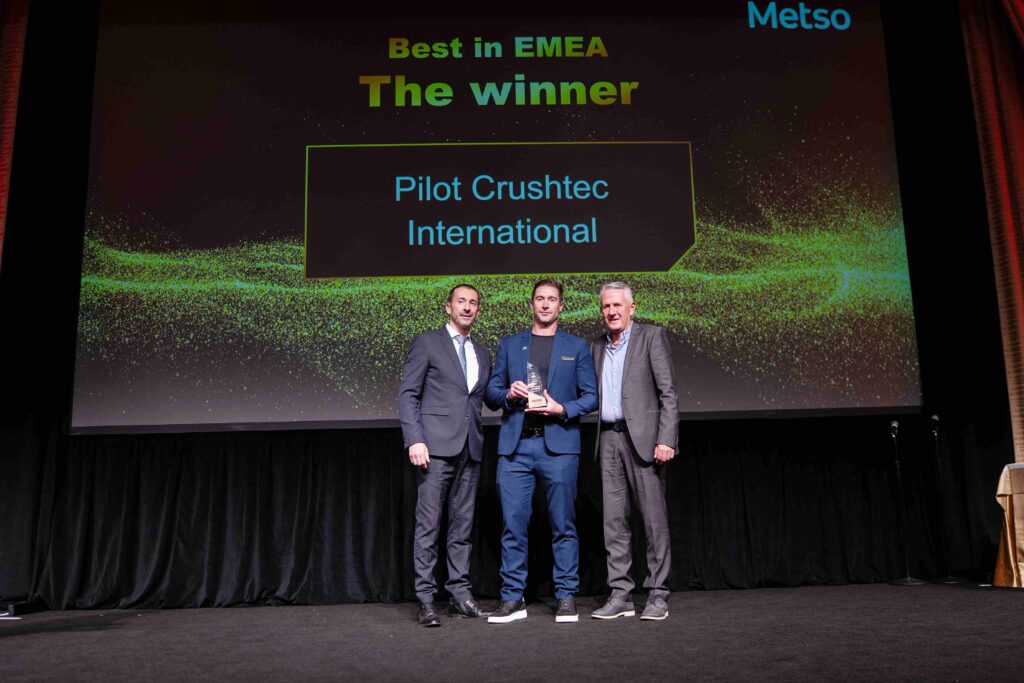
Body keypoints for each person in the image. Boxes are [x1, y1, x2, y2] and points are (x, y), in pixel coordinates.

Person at [484, 278, 598, 623]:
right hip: (516, 448)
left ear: (561, 306)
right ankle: (512, 598)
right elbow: (491, 393)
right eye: (540, 298)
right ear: (531, 304)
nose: (545, 304)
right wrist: (508, 393)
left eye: (552, 299)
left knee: (563, 525)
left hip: (559, 448)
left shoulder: (576, 346)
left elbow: (591, 397)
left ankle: (566, 596)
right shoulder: (510, 345)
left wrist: (562, 409)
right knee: (513, 526)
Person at [398, 283, 492, 627]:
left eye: (473, 303)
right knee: (429, 526)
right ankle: (426, 600)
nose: (467, 307)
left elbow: (484, 397)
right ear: (448, 307)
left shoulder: (482, 352)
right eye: (461, 301)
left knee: (462, 527)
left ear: (478, 311)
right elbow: (408, 394)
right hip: (435, 448)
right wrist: (415, 439)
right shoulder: (427, 342)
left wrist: (514, 394)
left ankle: (460, 596)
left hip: (471, 448)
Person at [589, 282, 678, 621]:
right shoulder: (597, 346)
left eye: (617, 305)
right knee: (614, 522)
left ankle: (657, 593)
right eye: (606, 306)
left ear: (632, 307)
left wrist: (666, 439)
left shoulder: (651, 337)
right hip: (608, 439)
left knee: (653, 522)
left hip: (644, 441)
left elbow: (668, 393)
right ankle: (620, 594)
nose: (611, 312)